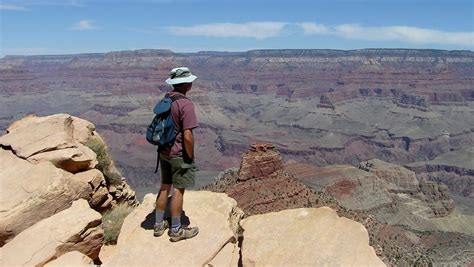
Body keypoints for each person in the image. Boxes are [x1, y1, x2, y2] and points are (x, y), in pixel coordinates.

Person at [154, 67, 199, 242]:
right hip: (178, 153)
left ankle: (158, 226)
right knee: (179, 190)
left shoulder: (168, 99)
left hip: (163, 151)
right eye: (190, 81)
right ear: (186, 84)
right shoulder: (186, 104)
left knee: (165, 186)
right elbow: (188, 135)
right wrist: (189, 156)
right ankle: (176, 230)